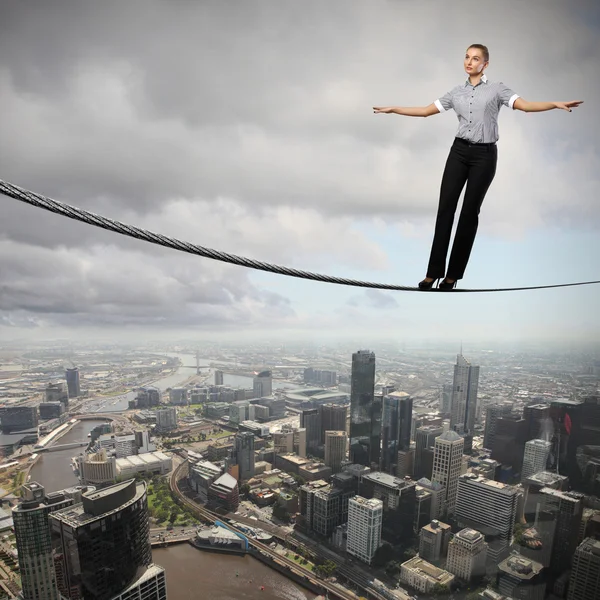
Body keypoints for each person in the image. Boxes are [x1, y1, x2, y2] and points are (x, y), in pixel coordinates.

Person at [373, 44, 583, 290]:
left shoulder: (497, 90)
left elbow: (525, 106)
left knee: (468, 215)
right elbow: (425, 111)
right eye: (466, 57)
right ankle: (433, 273)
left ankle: (452, 276)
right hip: (458, 152)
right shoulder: (456, 93)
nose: (469, 62)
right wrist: (394, 109)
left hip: (484, 156)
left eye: (475, 58)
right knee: (445, 211)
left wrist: (554, 104)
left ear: (485, 64)